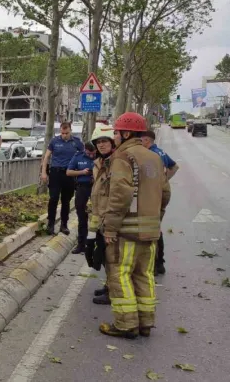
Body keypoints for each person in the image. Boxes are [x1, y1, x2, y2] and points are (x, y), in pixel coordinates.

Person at [99, 112, 171, 340]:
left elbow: (120, 194)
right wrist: (156, 217)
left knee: (119, 274)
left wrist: (110, 227)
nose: (115, 137)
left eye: (117, 132)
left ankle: (126, 324)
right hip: (151, 230)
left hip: (127, 231)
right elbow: (165, 193)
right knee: (144, 275)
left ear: (127, 133)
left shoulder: (123, 157)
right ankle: (146, 323)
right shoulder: (155, 158)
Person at [141, 130, 179, 275]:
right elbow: (174, 166)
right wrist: (165, 180)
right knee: (155, 226)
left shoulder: (151, 155)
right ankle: (159, 263)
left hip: (155, 194)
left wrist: (159, 182)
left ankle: (156, 264)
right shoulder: (160, 152)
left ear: (147, 140)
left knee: (152, 229)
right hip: (162, 191)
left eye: (141, 141)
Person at [86, 125, 116, 306]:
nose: (101, 145)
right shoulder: (98, 163)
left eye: (105, 141)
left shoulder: (117, 163)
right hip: (98, 216)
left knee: (112, 258)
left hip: (111, 218)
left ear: (112, 142)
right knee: (103, 256)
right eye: (98, 142)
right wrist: (92, 231)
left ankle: (113, 291)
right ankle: (108, 285)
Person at [40, 122, 84, 235]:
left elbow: (83, 156)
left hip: (69, 174)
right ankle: (50, 224)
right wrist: (43, 172)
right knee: (53, 198)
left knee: (66, 200)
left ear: (71, 131)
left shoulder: (77, 142)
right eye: (62, 133)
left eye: (66, 133)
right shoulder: (54, 141)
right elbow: (46, 157)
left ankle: (64, 224)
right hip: (56, 173)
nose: (64, 135)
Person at [67, 141, 97, 254]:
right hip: (82, 189)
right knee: (82, 217)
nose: (91, 156)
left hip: (96, 189)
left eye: (93, 154)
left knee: (97, 217)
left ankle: (96, 245)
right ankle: (81, 245)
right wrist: (82, 172)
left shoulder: (100, 157)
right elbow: (68, 172)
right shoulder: (78, 157)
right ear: (85, 150)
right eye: (89, 154)